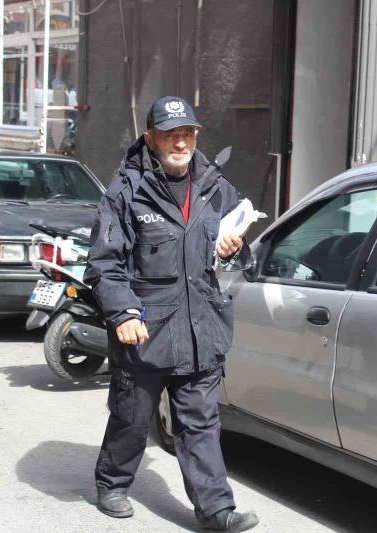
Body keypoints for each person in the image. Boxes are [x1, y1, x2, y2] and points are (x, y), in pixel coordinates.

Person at [84, 96, 259, 532]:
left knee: (200, 423)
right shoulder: (126, 192)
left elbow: (237, 255)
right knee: (132, 417)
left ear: (195, 136)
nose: (179, 143)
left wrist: (233, 251)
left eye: (186, 134)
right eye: (169, 135)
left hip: (202, 328)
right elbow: (104, 263)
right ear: (150, 138)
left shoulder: (217, 188)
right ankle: (112, 483)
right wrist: (123, 313)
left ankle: (216, 511)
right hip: (146, 329)